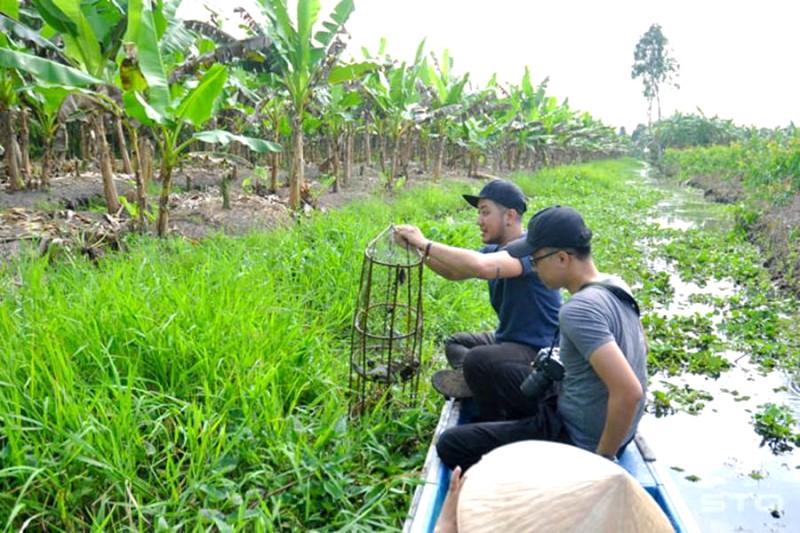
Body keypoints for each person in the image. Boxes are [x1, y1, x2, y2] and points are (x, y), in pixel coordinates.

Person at [430, 205, 648, 471]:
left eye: (535, 260)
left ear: (562, 259)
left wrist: (601, 462)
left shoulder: (578, 310)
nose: (533, 268)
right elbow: (641, 349)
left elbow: (628, 391)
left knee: (452, 444)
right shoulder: (615, 284)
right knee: (484, 364)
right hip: (581, 410)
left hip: (575, 438)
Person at [393, 180, 560, 421]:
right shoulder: (495, 251)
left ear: (510, 216)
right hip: (509, 338)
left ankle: (485, 385)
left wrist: (424, 242)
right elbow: (453, 272)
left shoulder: (529, 252)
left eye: (485, 212)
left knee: (476, 359)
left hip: (538, 348)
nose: (478, 220)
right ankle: (476, 381)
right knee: (456, 343)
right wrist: (416, 250)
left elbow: (482, 268)